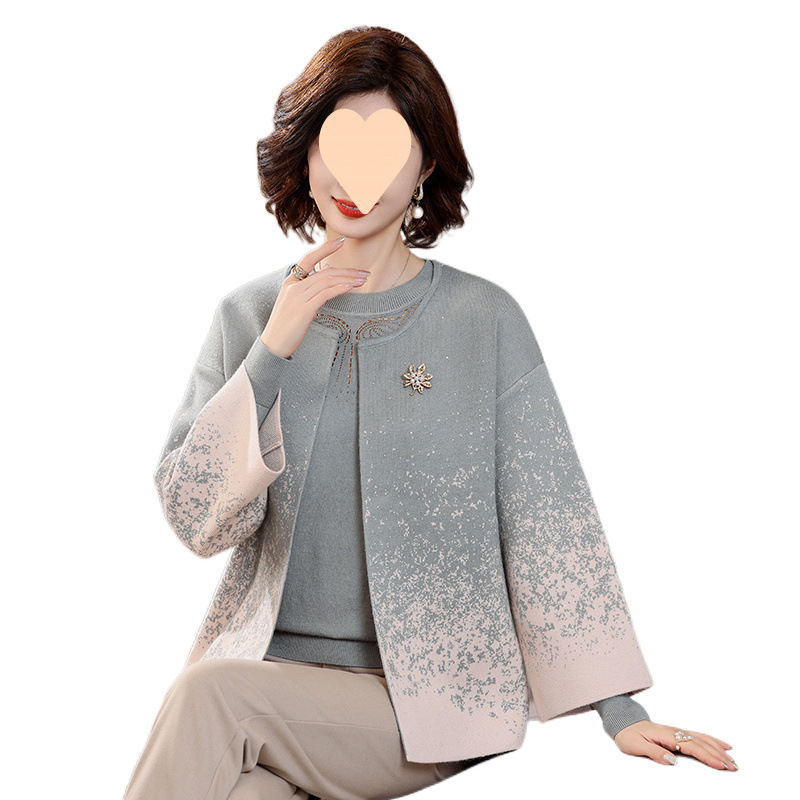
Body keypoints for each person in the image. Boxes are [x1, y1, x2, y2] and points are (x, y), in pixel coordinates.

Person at [123, 25, 737, 800]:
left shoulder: (483, 321)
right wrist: (272, 351)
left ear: (427, 166)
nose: (356, 176)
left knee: (211, 697)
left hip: (425, 703)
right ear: (305, 157)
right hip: (271, 682)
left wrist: (618, 709)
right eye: (336, 145)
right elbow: (194, 520)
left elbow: (548, 517)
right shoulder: (248, 316)